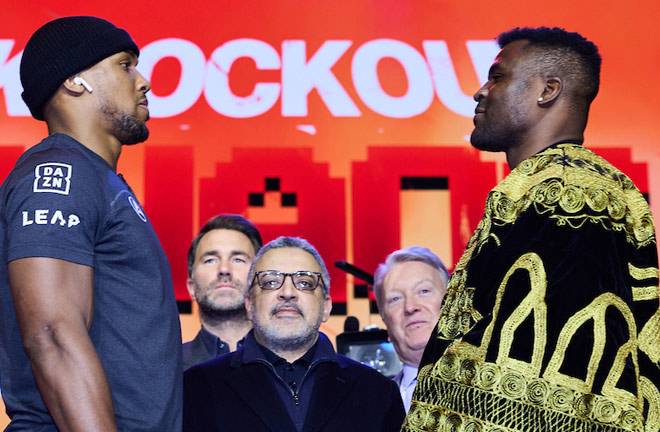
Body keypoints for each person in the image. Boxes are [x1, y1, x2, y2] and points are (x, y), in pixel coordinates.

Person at [403, 27, 660, 432]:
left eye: (498, 76)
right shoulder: (540, 186)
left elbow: (561, 379)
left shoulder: (571, 194)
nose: (480, 91)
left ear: (548, 90)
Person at [0, 16, 182, 431]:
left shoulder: (97, 180)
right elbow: (52, 333)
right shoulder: (60, 173)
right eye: (124, 64)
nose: (144, 81)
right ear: (76, 81)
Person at [184, 236, 406, 431]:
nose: (288, 292)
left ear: (326, 306)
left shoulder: (379, 393)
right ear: (249, 305)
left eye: (304, 282)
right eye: (270, 282)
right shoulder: (194, 388)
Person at [372, 246, 448, 412]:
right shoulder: (371, 408)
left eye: (424, 291)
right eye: (395, 299)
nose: (410, 307)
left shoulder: (501, 386)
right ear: (385, 321)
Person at [183, 214, 262, 370]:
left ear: (259, 283)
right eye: (211, 260)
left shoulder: (290, 364)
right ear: (191, 287)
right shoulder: (164, 368)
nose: (224, 269)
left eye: (238, 259)